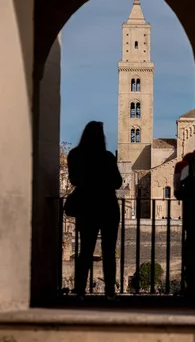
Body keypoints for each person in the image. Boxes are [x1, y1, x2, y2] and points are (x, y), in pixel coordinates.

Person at [68, 121, 123, 299]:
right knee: (108, 251)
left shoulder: (75, 155)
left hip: (87, 208)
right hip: (108, 207)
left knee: (85, 250)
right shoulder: (107, 157)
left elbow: (74, 180)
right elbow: (117, 182)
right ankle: (110, 292)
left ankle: (80, 290)